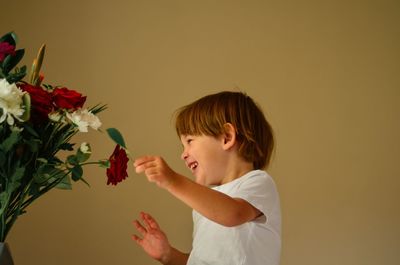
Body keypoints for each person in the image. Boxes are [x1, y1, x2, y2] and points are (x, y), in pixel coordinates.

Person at [133, 91, 281, 265]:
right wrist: (168, 255)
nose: (183, 154)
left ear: (227, 137)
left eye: (189, 141)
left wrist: (173, 181)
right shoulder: (205, 204)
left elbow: (233, 214)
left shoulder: (257, 182)